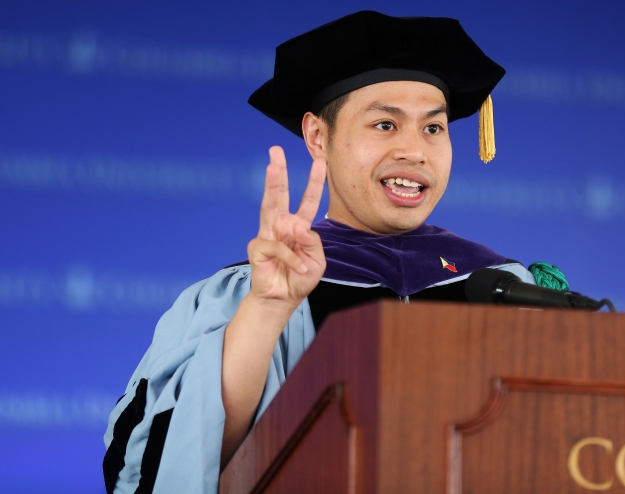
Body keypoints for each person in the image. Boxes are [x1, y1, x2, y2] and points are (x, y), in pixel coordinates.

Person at [102, 11, 562, 494]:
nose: (415, 151)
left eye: (433, 129)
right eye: (385, 124)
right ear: (318, 137)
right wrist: (265, 310)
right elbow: (174, 460)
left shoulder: (501, 286)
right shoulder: (254, 291)